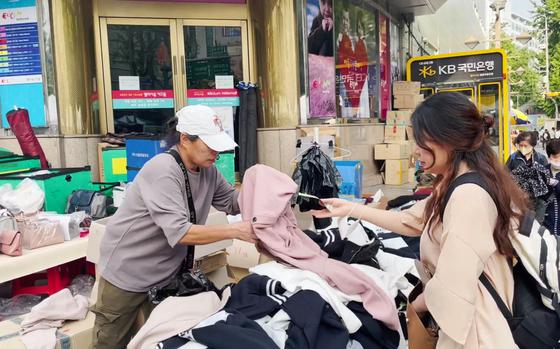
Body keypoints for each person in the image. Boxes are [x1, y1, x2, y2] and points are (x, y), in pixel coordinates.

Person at [313, 92, 526, 347]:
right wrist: (349, 209)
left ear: (449, 140)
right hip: (468, 325)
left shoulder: (468, 195)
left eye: (422, 142)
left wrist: (411, 308)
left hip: (476, 334)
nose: (415, 151)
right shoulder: (456, 182)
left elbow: (453, 283)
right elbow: (410, 221)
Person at [91, 105, 257, 349]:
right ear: (185, 139)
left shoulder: (207, 171)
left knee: (160, 341)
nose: (216, 152)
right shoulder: (163, 170)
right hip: (127, 274)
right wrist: (236, 231)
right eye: (210, 144)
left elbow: (232, 203)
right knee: (110, 342)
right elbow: (181, 232)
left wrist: (263, 189)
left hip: (165, 275)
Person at [506, 131, 549, 222]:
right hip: (519, 198)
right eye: (520, 145)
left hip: (537, 200)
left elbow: (546, 177)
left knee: (536, 225)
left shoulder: (541, 158)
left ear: (532, 145)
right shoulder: (513, 158)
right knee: (521, 224)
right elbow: (505, 175)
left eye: (525, 145)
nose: (522, 148)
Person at [544, 139, 560, 235]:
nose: (558, 160)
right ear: (549, 156)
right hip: (547, 223)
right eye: (555, 157)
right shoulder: (543, 171)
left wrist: (556, 183)